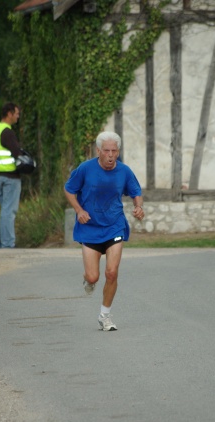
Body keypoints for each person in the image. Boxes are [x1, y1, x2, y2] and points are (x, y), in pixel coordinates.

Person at [64, 131, 144, 331]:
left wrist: (138, 207)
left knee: (112, 272)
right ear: (98, 151)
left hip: (114, 225)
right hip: (90, 227)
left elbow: (136, 192)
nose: (110, 155)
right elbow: (69, 189)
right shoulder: (85, 169)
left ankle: (105, 316)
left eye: (114, 151)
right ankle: (88, 280)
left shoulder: (124, 171)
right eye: (106, 151)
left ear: (118, 152)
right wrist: (79, 210)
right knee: (93, 277)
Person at [0, 102, 22, 248]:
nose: (18, 116)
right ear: (9, 113)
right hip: (10, 176)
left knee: (4, 210)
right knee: (9, 211)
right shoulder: (7, 132)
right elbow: (17, 153)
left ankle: (3, 243)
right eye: (16, 113)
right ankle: (8, 244)